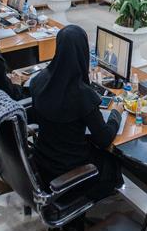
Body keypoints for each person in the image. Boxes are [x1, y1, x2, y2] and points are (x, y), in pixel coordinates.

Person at [31, 25, 123, 201]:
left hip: (42, 164)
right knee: (112, 161)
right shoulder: (82, 94)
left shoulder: (39, 80)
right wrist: (116, 114)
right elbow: (104, 139)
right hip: (70, 170)